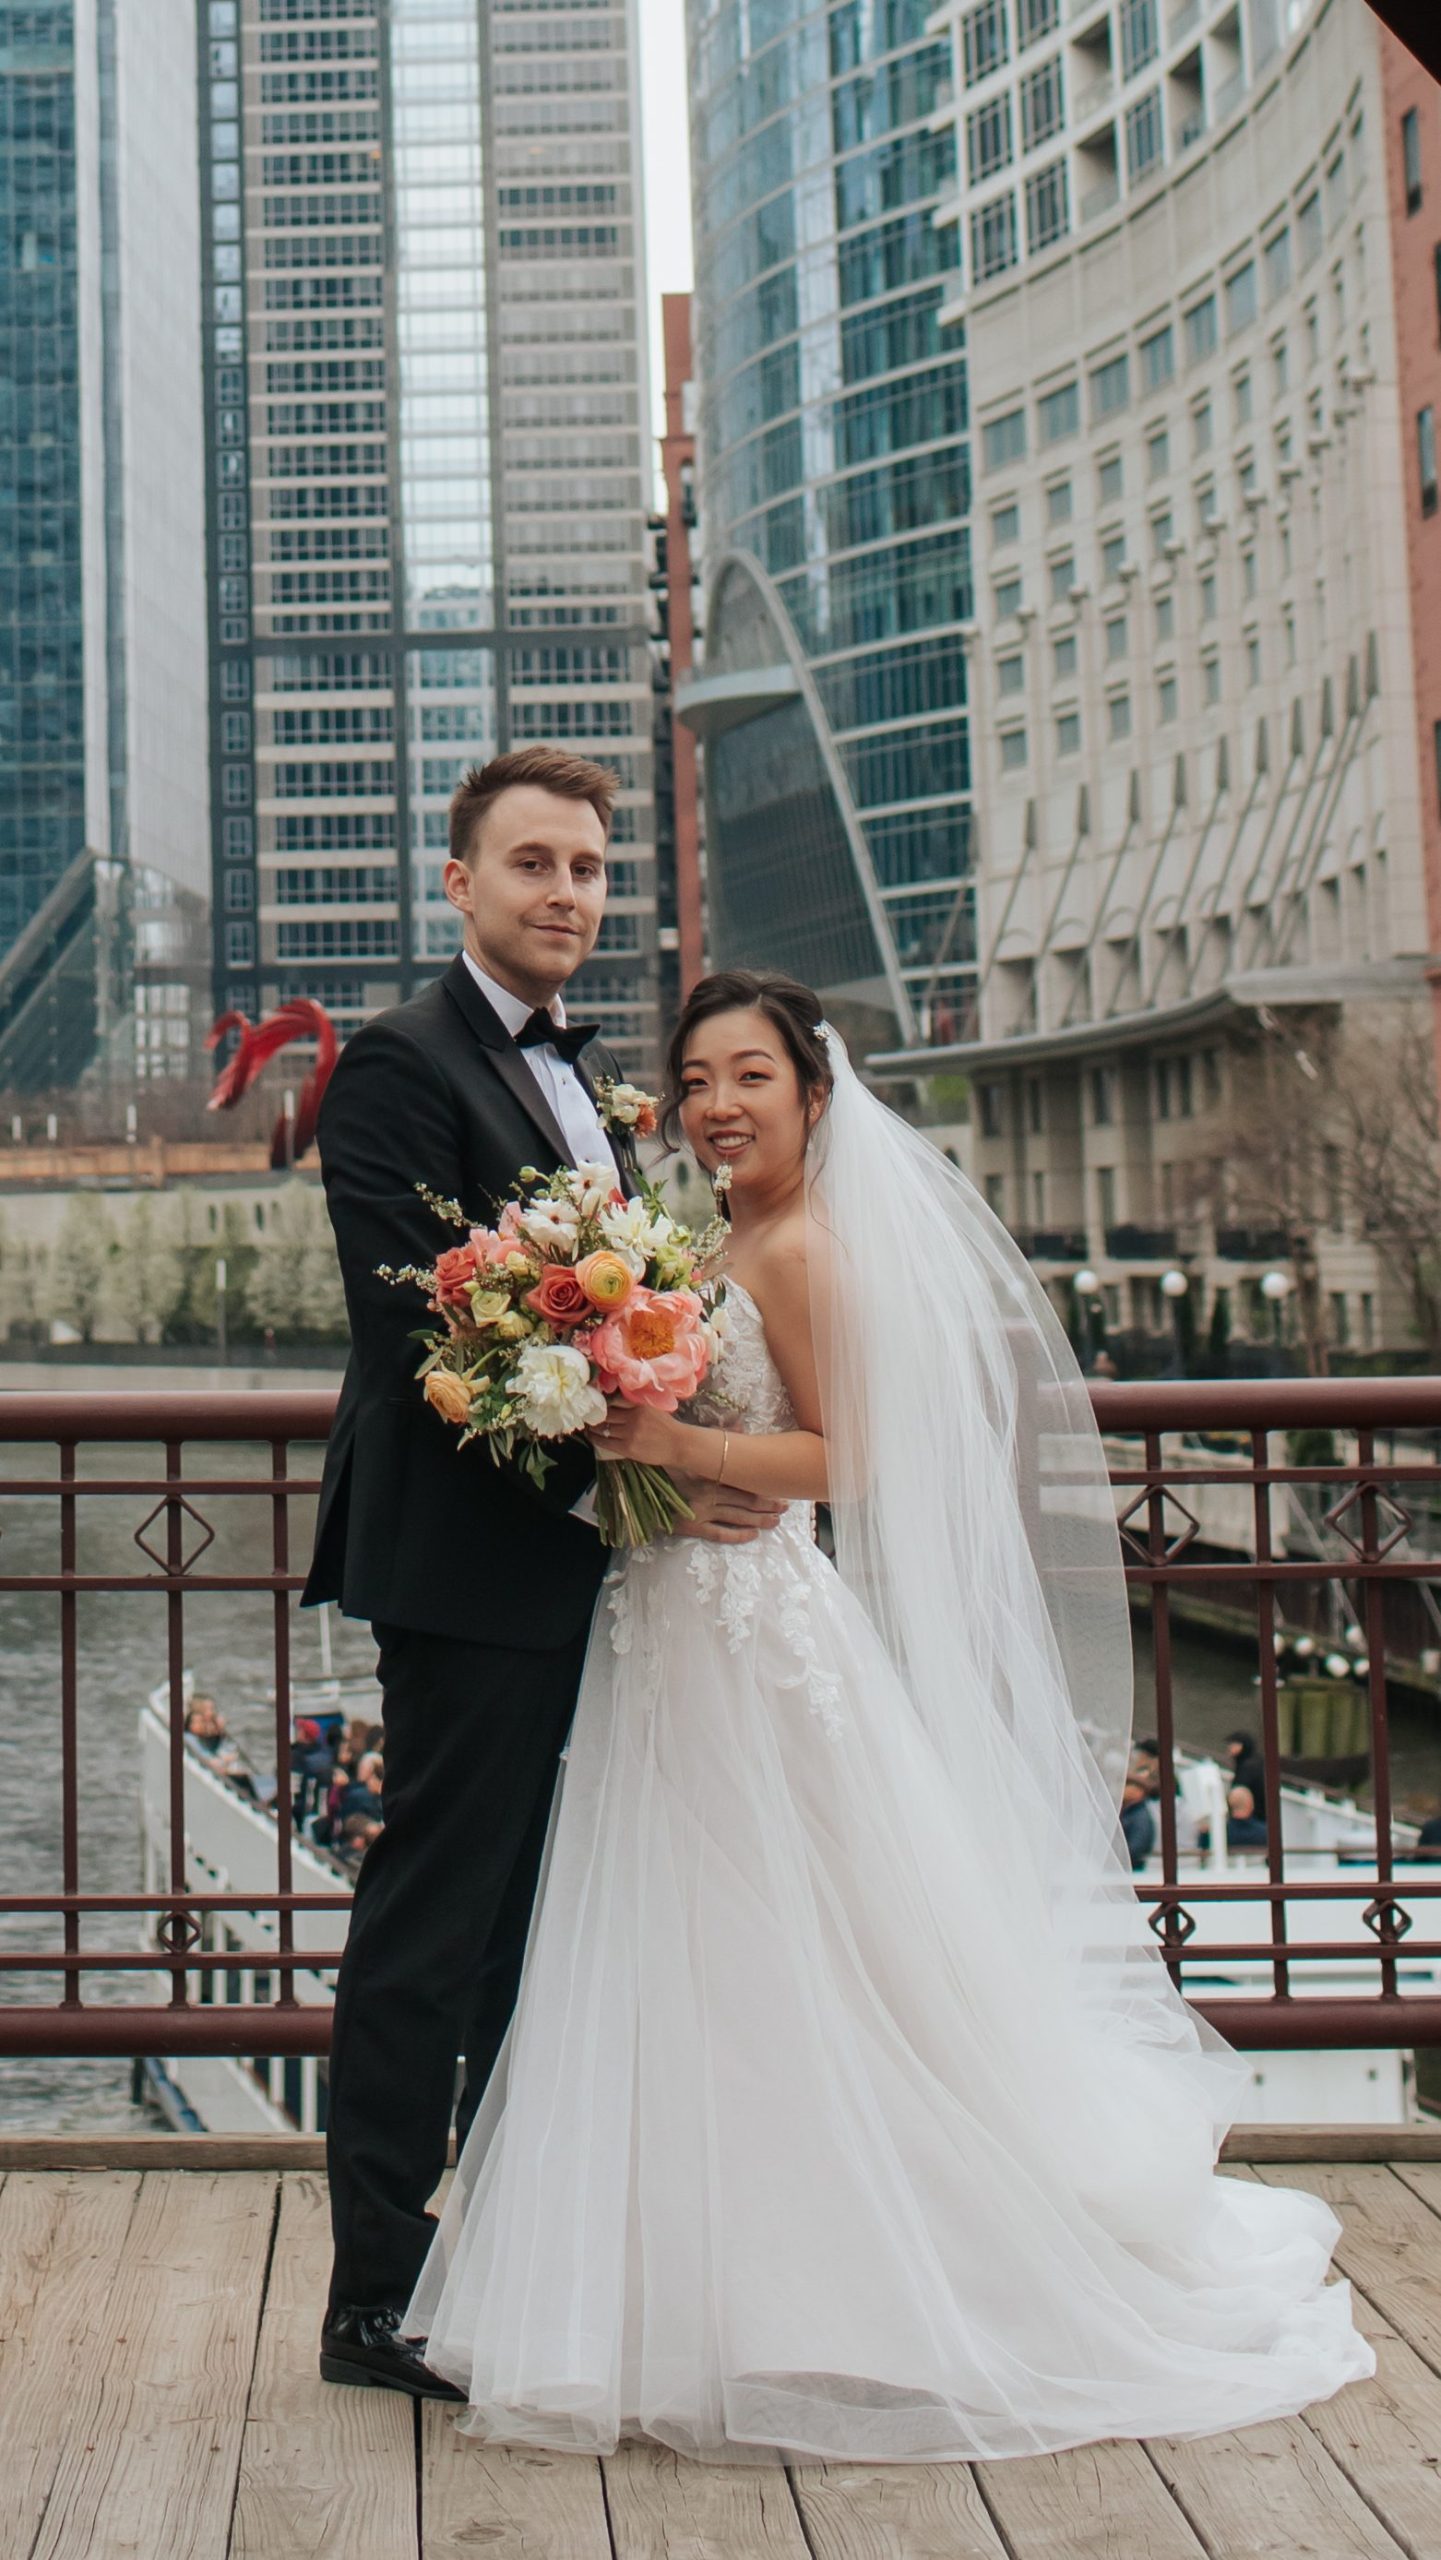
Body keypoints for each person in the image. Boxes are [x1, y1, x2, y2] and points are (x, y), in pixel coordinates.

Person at [406, 968, 1373, 2459]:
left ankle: (850, 2290)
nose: (722, 1106)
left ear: (811, 1092)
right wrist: (621, 1440)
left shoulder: (806, 1252)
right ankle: (705, 2293)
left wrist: (667, 1439)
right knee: (681, 1941)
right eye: (700, 1081)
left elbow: (849, 1460)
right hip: (663, 1620)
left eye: (753, 1079)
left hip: (756, 1636)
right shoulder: (705, 1244)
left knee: (794, 1947)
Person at [304, 749, 779, 2400]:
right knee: (433, 1928)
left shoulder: (591, 1081)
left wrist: (686, 1443)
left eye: (587, 867)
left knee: (541, 1934)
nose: (567, 892)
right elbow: (421, 1324)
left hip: (592, 1568)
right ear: (460, 882)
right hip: (468, 1568)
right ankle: (372, 2296)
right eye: (532, 865)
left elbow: (614, 1308)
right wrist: (643, 1457)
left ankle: (510, 2267)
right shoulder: (393, 1064)